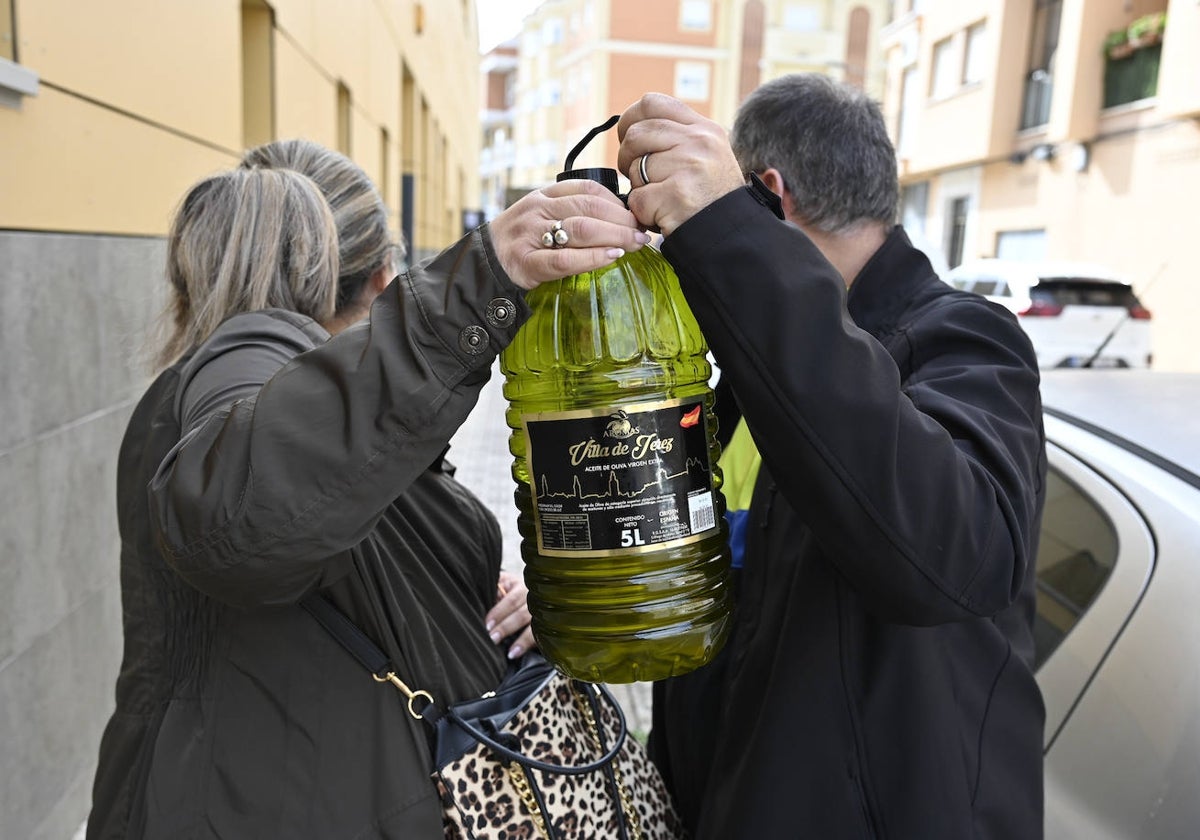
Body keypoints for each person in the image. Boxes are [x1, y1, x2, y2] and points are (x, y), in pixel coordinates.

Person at [87, 149, 648, 838]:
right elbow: (241, 524)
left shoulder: (333, 425)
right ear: (381, 279)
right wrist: (469, 292)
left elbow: (343, 553)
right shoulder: (244, 367)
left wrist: (500, 599)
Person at [616, 75, 1047, 838]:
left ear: (767, 195)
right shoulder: (764, 364)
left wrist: (729, 239)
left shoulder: (965, 341)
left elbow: (958, 552)